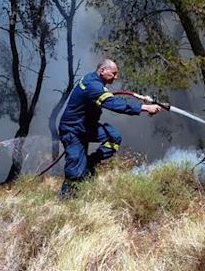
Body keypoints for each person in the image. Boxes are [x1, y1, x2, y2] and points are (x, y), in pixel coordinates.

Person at [58, 59, 162, 197]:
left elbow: (107, 96)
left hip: (87, 128)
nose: (116, 77)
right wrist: (144, 107)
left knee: (113, 137)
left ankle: (90, 163)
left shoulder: (94, 81)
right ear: (102, 71)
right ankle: (66, 199)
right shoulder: (92, 85)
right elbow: (113, 104)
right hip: (73, 131)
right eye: (114, 73)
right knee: (75, 169)